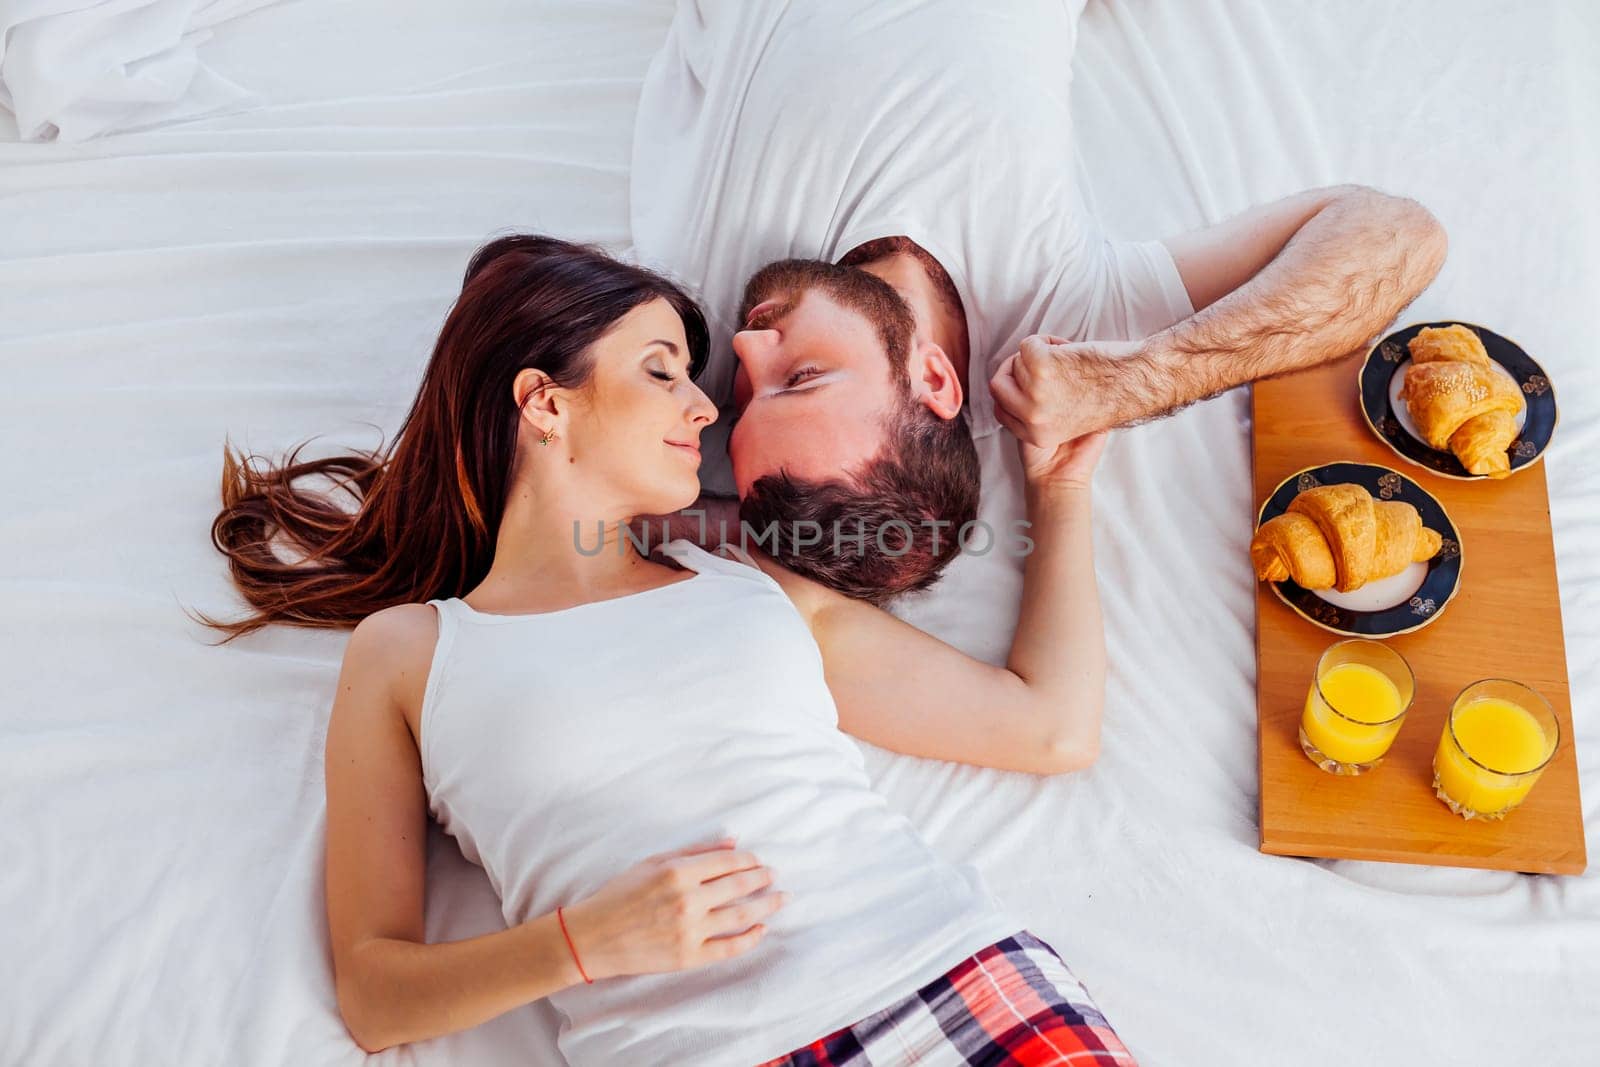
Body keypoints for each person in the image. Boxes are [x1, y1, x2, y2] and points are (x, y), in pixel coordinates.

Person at [202, 235, 1140, 1065]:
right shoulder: (408, 653)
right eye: (662, 370)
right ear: (544, 403)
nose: (703, 407)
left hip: (953, 986)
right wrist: (581, 942)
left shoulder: (748, 584)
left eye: (696, 379)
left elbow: (1051, 726)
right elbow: (375, 996)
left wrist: (1060, 488)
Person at [630, 0, 1448, 617]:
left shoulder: (683, 324)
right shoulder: (1062, 321)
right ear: (937, 380)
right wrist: (1134, 386)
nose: (746, 343)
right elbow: (1398, 233)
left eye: (747, 393)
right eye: (796, 377)